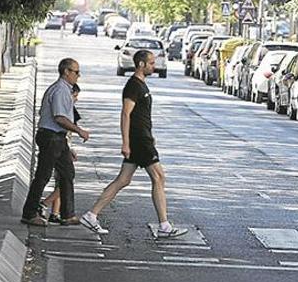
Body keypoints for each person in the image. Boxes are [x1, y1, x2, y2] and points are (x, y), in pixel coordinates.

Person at [81, 50, 187, 238]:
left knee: (123, 180)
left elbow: (142, 116)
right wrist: (126, 143)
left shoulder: (141, 85)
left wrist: (150, 135)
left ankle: (91, 215)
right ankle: (164, 226)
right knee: (159, 177)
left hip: (143, 138)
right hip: (139, 140)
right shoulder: (133, 86)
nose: (154, 66)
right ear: (141, 65)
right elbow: (125, 114)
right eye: (151, 63)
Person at [21, 58, 89, 226]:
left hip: (58, 138)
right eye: (76, 72)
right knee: (43, 176)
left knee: (67, 173)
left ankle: (68, 214)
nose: (78, 76)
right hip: (51, 136)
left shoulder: (65, 90)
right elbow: (59, 117)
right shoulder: (59, 90)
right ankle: (29, 213)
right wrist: (79, 130)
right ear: (66, 71)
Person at [40, 83, 82, 223]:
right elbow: (65, 128)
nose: (75, 100)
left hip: (62, 144)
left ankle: (57, 212)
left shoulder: (67, 106)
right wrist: (69, 147)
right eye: (74, 96)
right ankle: (44, 204)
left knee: (64, 177)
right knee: (60, 178)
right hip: (58, 142)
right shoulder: (60, 98)